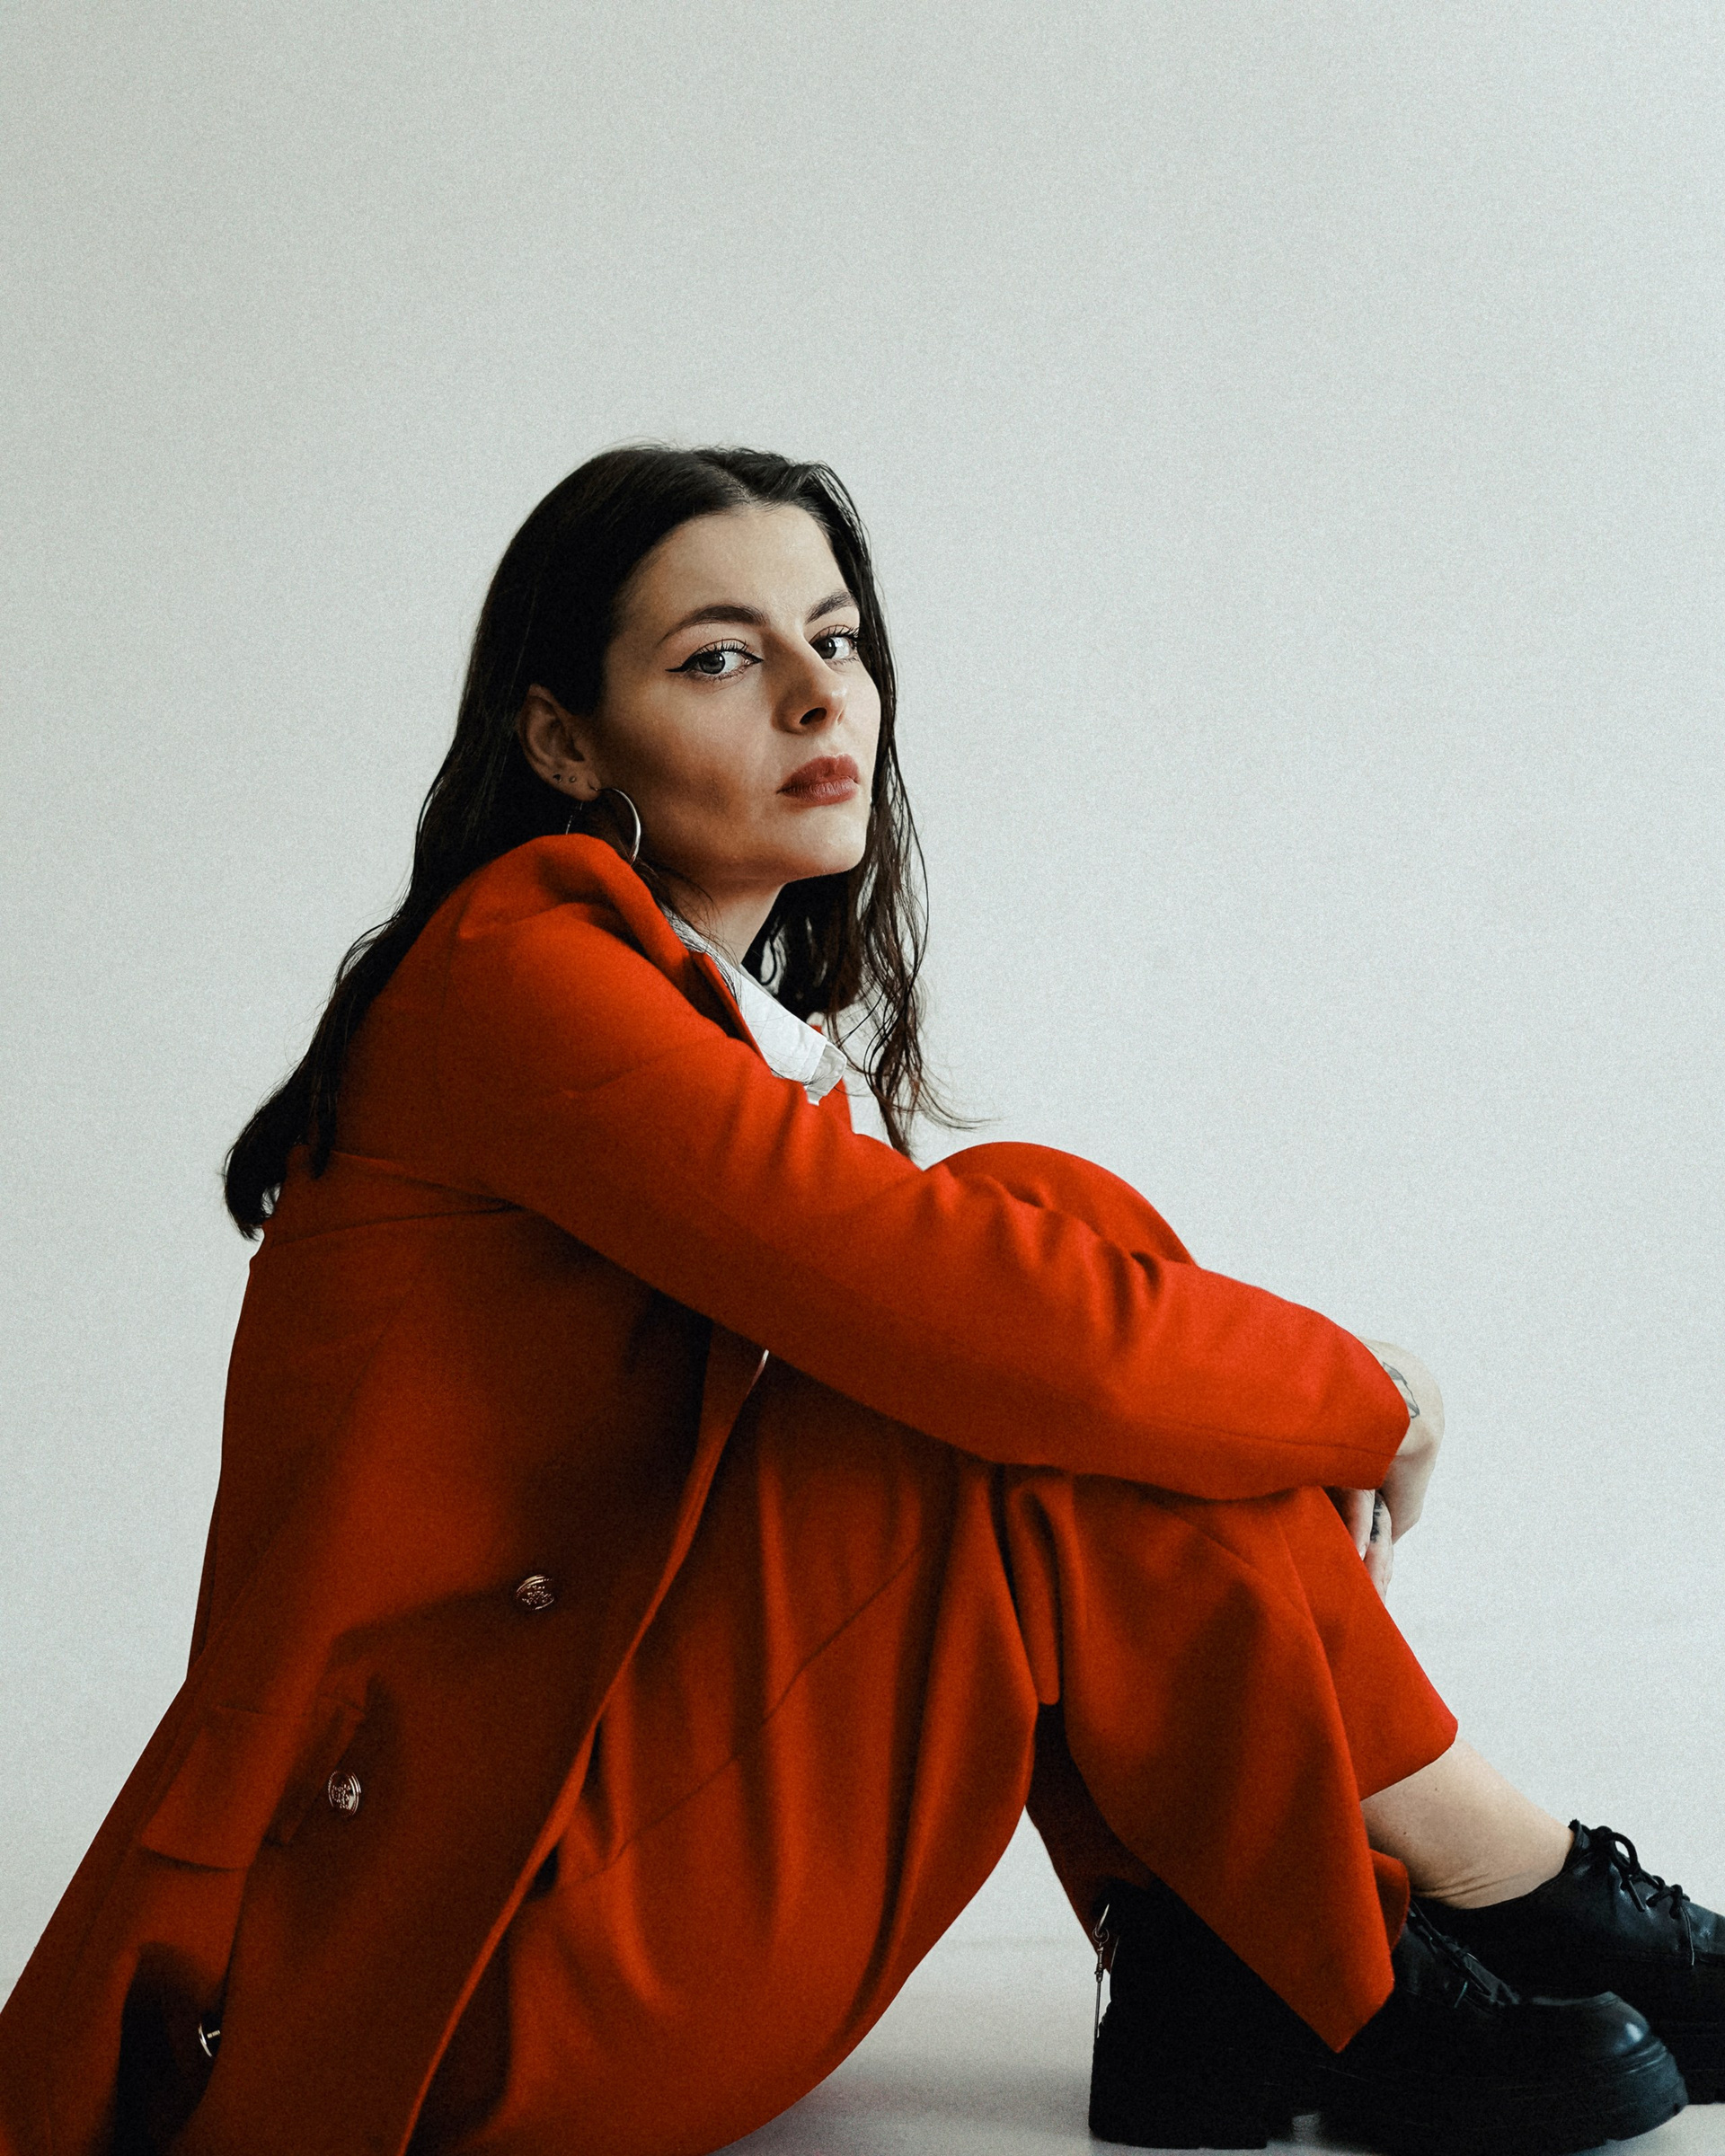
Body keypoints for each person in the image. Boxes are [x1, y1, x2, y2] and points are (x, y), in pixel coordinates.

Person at [1, 445, 1717, 2156]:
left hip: (572, 1886)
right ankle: (1472, 1893)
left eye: (837, 641)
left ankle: (1243, 1957)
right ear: (562, 742)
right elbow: (1020, 1345)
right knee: (1011, 1297)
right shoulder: (520, 975)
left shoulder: (709, 1025)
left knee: (1034, 1230)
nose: (819, 697)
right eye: (719, 658)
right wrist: (1376, 1400)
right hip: (456, 1993)